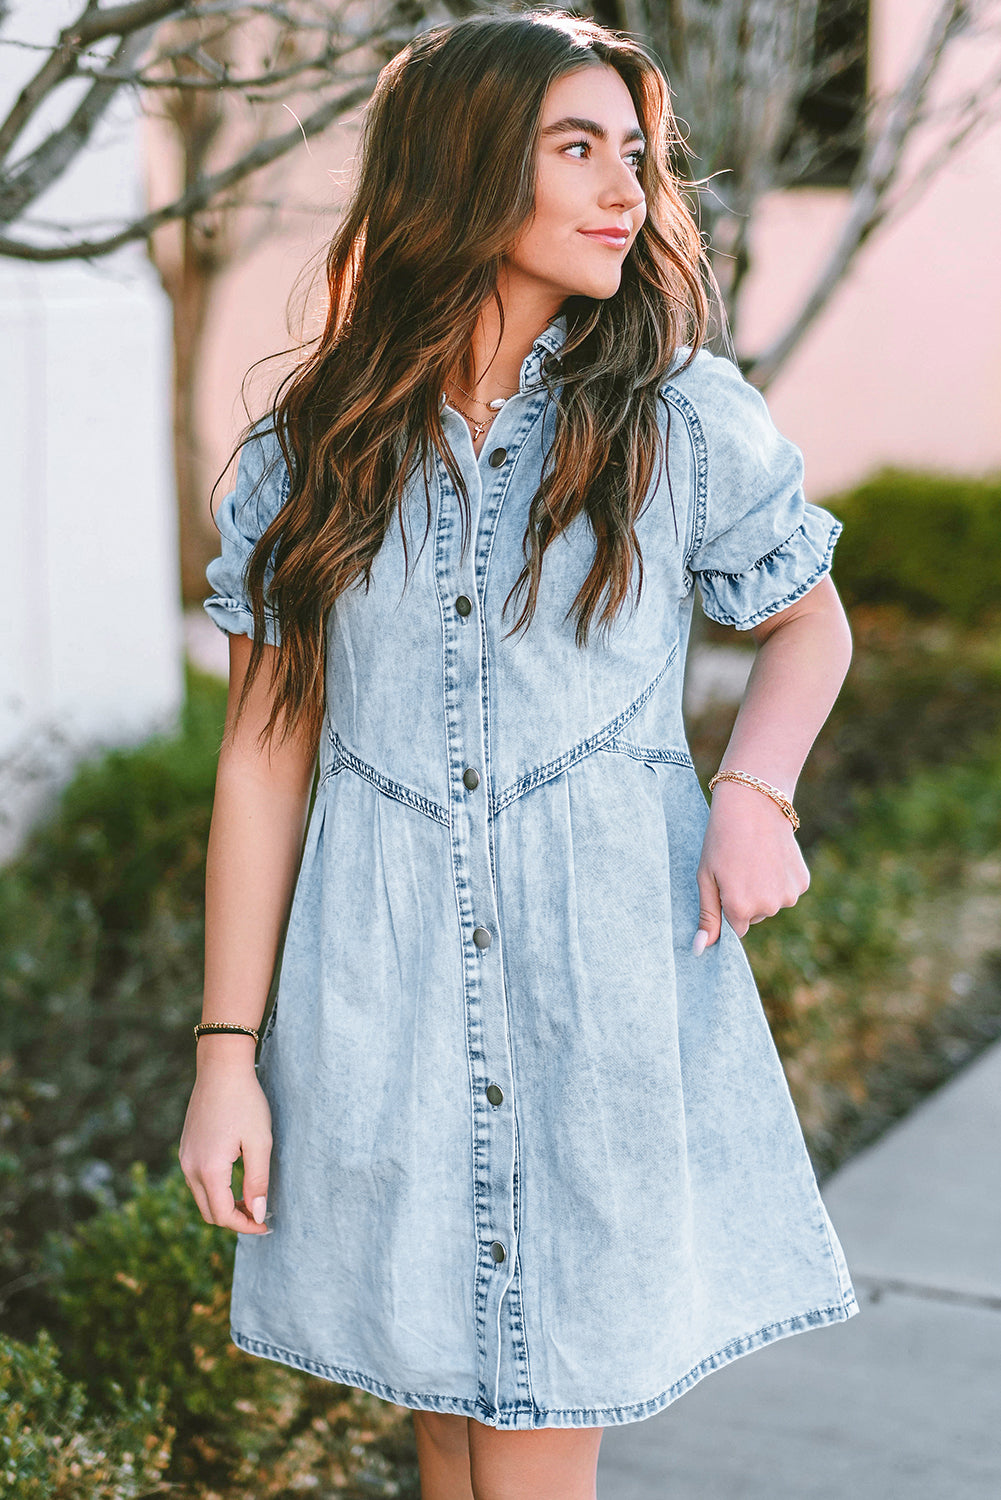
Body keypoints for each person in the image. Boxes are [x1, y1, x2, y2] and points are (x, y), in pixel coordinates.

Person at [179, 8, 860, 1498]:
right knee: (443, 1413)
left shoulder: (677, 417)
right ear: (464, 171)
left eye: (632, 153)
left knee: (537, 1410)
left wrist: (753, 791)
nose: (625, 187)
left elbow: (808, 631)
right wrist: (226, 1059)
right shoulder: (319, 444)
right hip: (379, 984)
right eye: (575, 149)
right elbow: (261, 763)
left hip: (594, 981)